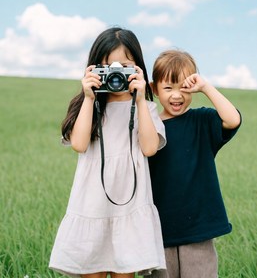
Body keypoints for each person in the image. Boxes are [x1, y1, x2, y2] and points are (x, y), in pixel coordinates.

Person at [49, 27, 166, 278]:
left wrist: (139, 99)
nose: (115, 75)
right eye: (107, 67)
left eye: (123, 67)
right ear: (94, 69)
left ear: (138, 69)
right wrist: (90, 98)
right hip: (92, 205)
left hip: (129, 206)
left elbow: (149, 147)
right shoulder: (89, 106)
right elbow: (79, 144)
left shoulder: (146, 107)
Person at [147, 49, 242, 278]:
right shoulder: (149, 128)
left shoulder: (202, 120)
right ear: (154, 89)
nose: (176, 95)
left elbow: (233, 119)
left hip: (198, 227)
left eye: (184, 87)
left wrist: (206, 87)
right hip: (159, 229)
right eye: (168, 88)